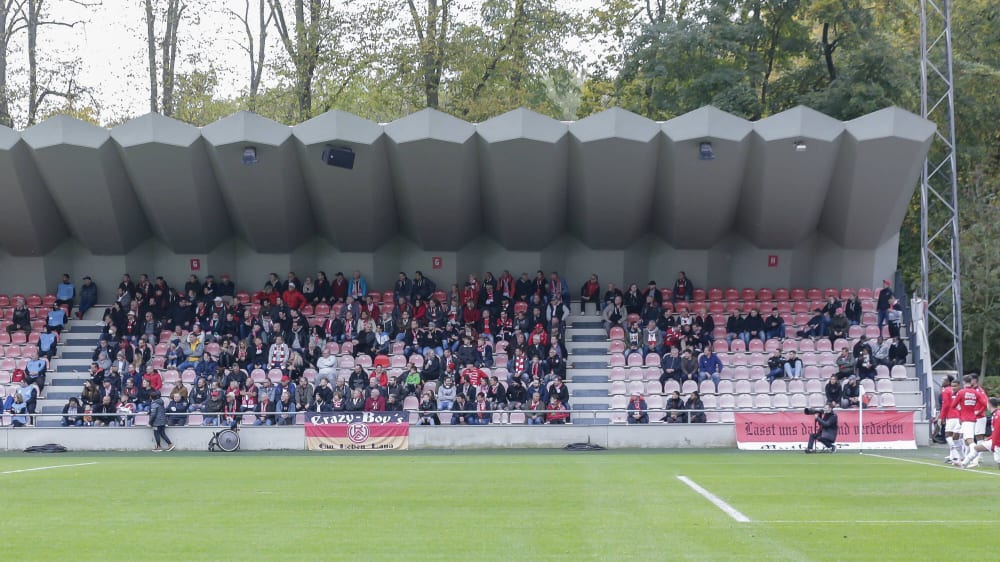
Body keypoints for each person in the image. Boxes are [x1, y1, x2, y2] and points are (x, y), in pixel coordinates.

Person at [952, 375, 987, 468]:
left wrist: (960, 413)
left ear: (963, 382)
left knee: (969, 440)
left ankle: (973, 458)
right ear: (971, 382)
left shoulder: (961, 392)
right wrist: (976, 411)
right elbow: (985, 403)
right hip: (973, 418)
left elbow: (953, 405)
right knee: (965, 440)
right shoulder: (976, 393)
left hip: (965, 419)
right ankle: (964, 460)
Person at [957, 398, 1000, 470]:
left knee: (998, 462)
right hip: (994, 441)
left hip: (997, 443)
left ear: (989, 404)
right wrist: (990, 438)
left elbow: (997, 431)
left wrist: (993, 444)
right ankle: (963, 464)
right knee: (977, 448)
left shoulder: (997, 415)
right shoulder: (995, 414)